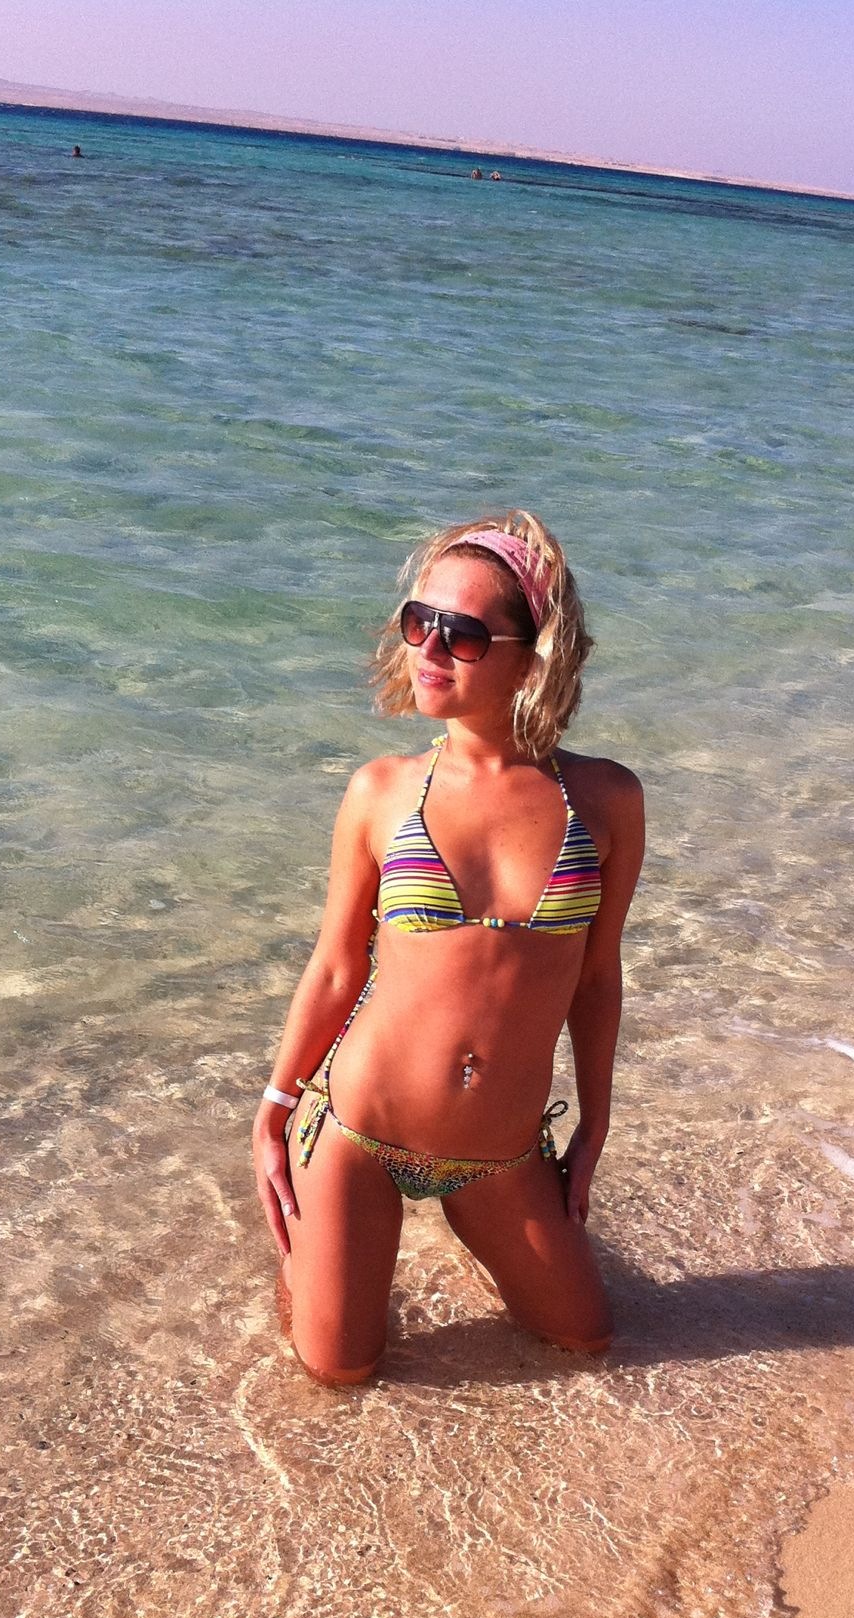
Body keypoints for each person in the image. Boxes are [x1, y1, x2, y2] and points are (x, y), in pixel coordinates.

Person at [252, 512, 645, 1386]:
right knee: (340, 1371)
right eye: (417, 621)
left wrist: (596, 1121)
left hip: (500, 1152)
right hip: (359, 1129)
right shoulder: (381, 790)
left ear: (533, 656)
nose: (428, 647)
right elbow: (337, 966)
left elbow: (596, 979)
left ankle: (430, 1240)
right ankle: (310, 1262)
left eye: (461, 632)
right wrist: (275, 1106)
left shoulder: (606, 799)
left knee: (587, 1340)